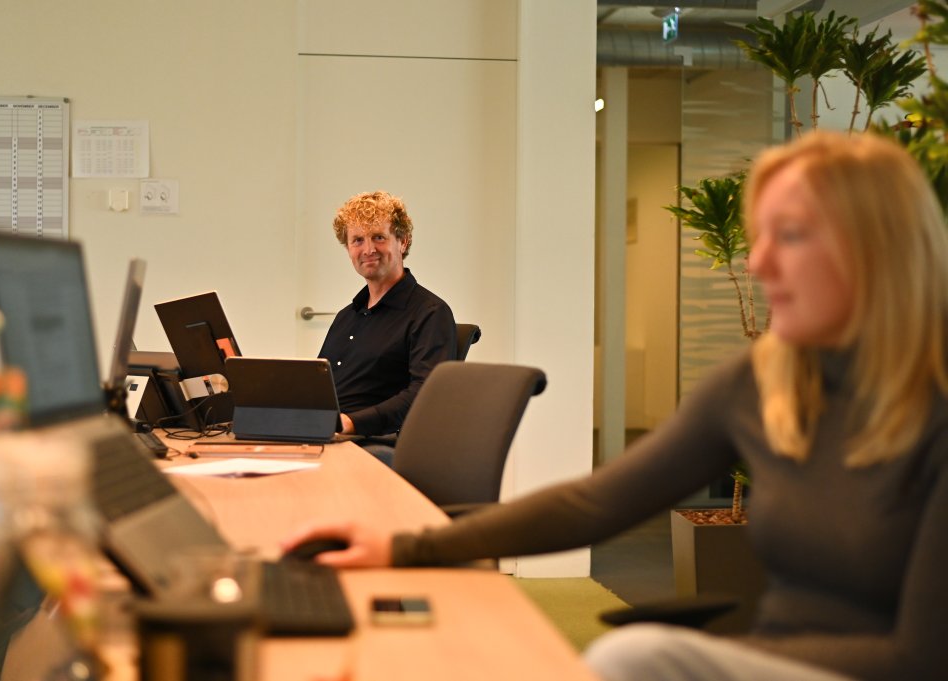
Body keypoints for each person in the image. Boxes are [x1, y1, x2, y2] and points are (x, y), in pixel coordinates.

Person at [284, 132, 948, 681]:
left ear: (878, 247)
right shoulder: (766, 381)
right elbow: (596, 502)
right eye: (760, 236)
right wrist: (407, 545)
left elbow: (920, 656)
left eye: (792, 235)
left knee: (628, 659)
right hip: (771, 656)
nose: (759, 262)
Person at [319, 191, 456, 444]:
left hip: (378, 442)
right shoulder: (345, 317)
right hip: (328, 438)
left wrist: (351, 422)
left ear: (402, 242)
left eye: (378, 237)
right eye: (357, 240)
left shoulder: (430, 312)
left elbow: (425, 395)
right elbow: (319, 387)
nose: (368, 249)